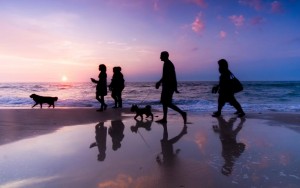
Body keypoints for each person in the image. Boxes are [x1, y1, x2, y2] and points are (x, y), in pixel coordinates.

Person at [155, 51, 187, 124]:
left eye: (161, 55)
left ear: (165, 56)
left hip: (168, 87)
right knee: (164, 102)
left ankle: (182, 113)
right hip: (167, 86)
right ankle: (164, 118)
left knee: (167, 103)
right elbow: (168, 76)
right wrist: (160, 83)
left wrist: (159, 82)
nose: (160, 57)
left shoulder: (168, 64)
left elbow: (168, 76)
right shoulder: (166, 63)